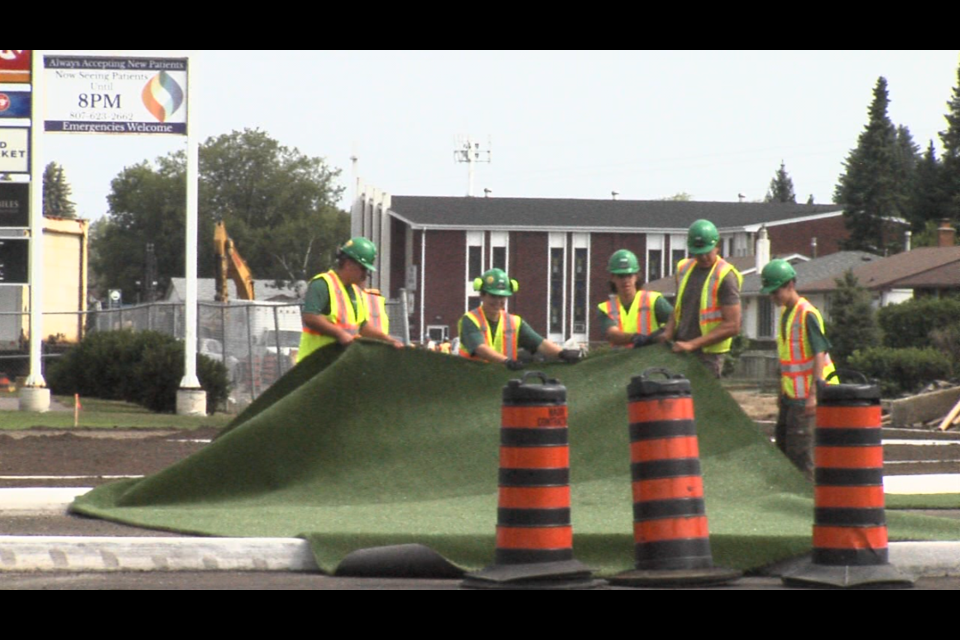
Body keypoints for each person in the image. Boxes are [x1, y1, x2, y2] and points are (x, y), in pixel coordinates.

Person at [761, 259, 837, 477]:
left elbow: (819, 354)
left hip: (806, 397)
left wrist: (814, 394)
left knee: (801, 454)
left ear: (790, 285)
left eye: (776, 292)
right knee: (784, 448)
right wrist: (781, 391)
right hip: (791, 396)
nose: (773, 297)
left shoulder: (807, 314)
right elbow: (788, 360)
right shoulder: (787, 313)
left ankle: (806, 502)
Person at [297, 237, 401, 363]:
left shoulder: (355, 292)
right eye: (362, 268)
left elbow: (362, 326)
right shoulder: (322, 284)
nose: (365, 274)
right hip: (313, 363)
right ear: (348, 264)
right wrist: (339, 334)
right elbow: (310, 316)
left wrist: (387, 340)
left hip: (336, 364)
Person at [660, 219, 742, 377]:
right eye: (698, 253)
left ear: (717, 247)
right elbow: (678, 308)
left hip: (708, 355)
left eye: (707, 251)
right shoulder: (684, 269)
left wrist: (692, 344)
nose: (703, 257)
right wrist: (669, 331)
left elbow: (733, 325)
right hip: (681, 348)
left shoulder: (725, 277)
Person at [458, 268, 583, 369]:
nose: (498, 301)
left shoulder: (514, 322)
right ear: (482, 295)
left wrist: (562, 353)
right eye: (493, 296)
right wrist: (506, 361)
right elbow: (480, 349)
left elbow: (539, 343)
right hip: (472, 382)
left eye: (502, 297)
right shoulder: (470, 320)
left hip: (501, 381)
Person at [597, 249, 673, 348]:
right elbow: (612, 335)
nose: (625, 280)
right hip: (620, 362)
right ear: (612, 278)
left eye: (629, 275)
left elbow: (676, 321)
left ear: (636, 276)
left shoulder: (654, 301)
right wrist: (634, 338)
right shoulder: (606, 308)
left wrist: (664, 333)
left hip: (651, 361)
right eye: (621, 276)